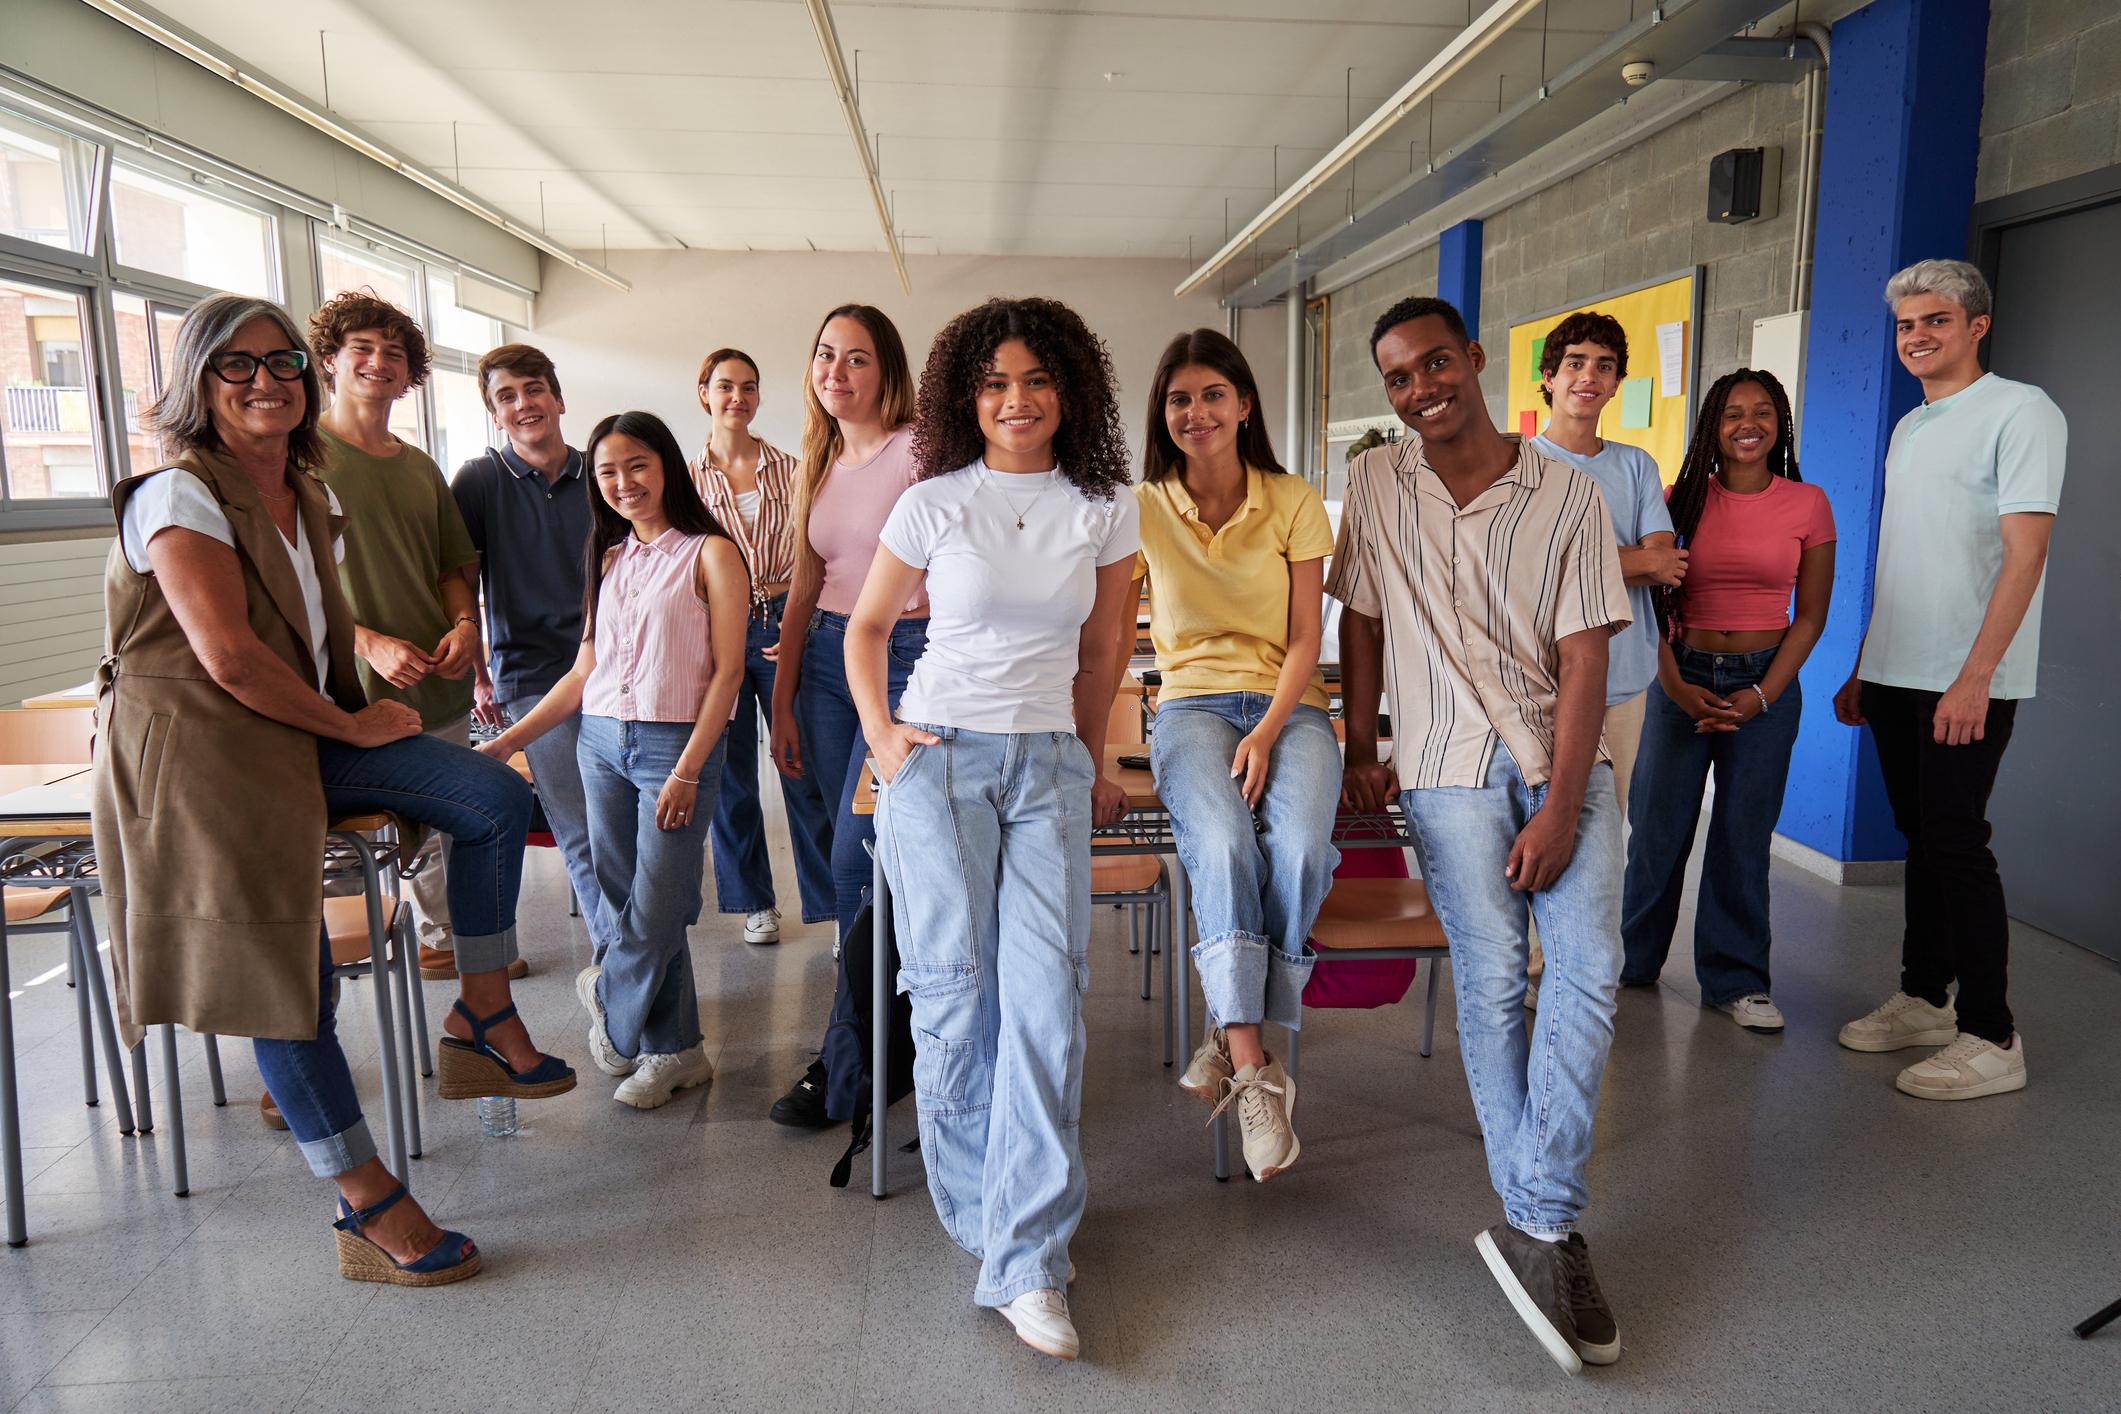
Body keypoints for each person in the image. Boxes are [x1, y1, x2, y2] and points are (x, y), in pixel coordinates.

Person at [93, 293, 572, 1287]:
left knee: (488, 798)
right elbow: (227, 658)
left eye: (280, 363)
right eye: (236, 365)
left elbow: (313, 630)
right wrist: (356, 721)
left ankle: (479, 1018)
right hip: (210, 754)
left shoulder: (305, 486)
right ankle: (366, 1200)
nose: (265, 380)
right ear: (197, 380)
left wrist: (358, 702)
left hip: (300, 728)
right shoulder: (178, 494)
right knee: (291, 988)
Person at [1332, 296, 1628, 1376]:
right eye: (1398, 379)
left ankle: (1537, 1215)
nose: (1420, 390)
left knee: (1592, 968)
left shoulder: (1568, 493)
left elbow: (1588, 657)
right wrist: (1363, 739)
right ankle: (1547, 1226)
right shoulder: (1376, 483)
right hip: (1447, 769)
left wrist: (1559, 803)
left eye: (1434, 364)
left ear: (1473, 359)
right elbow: (1359, 614)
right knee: (1495, 977)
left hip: (1566, 758)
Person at [859, 297, 1137, 1361]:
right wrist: (886, 737)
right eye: (994, 384)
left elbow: (1105, 646)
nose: (1016, 402)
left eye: (1035, 381)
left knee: (1048, 1005)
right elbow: (871, 629)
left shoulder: (1105, 503)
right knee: (953, 997)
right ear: (965, 396)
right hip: (940, 757)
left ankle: (1022, 1254)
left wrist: (1091, 754)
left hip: (1047, 768)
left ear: (1070, 390)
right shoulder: (933, 502)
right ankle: (999, 1231)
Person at [1832, 258, 2066, 1100]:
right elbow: (1902, 561)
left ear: (1976, 325)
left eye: (1934, 320)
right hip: (1897, 670)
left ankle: (1992, 1034)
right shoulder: (1910, 427)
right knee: (1921, 839)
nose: (1916, 336)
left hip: (1965, 677)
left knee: (1957, 843)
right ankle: (1926, 997)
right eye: (1904, 325)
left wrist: (1975, 676)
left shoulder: (2020, 411)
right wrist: (1866, 664)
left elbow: (2025, 552)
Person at [478, 412, 749, 1109]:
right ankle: (674, 1050)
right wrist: (511, 741)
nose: (623, 482)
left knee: (660, 904)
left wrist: (689, 769)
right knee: (625, 895)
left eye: (637, 465)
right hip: (599, 741)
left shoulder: (710, 553)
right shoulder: (609, 557)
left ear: (665, 467)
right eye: (607, 471)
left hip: (673, 746)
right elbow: (582, 672)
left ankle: (607, 992)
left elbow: (726, 675)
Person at [1126, 328, 1338, 1179]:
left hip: (1290, 705)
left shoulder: (1293, 499)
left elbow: (1303, 639)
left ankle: (1227, 1026)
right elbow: (1107, 626)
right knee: (1217, 845)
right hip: (1186, 705)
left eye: (1213, 394)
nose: (1197, 411)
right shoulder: (1141, 506)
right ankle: (1253, 1068)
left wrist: (1264, 728)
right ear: (1164, 414)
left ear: (1244, 404)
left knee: (1297, 847)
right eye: (1180, 399)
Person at [1619, 369, 1835, 1031]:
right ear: (1711, 425)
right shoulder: (1676, 498)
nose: (1748, 424)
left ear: (1780, 423)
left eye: (1762, 412)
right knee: (1658, 833)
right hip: (1678, 674)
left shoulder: (1807, 503)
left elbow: (1809, 618)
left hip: (1763, 682)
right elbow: (1647, 603)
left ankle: (1735, 981)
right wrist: (1677, 687)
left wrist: (1761, 697)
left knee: (1742, 836)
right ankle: (1630, 966)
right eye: (1732, 412)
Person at [307, 291, 512, 981]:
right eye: (361, 348)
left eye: (393, 353)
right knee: (382, 837)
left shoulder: (420, 465)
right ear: (330, 360)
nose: (378, 362)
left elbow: (452, 567)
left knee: (457, 821)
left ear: (410, 374)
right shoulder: (301, 459)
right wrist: (369, 642)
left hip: (438, 677)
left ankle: (449, 943)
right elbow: (289, 584)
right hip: (348, 694)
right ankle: (411, 952)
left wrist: (464, 625)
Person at [763, 305, 929, 1129]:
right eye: (825, 355)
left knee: (859, 859)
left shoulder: (920, 450)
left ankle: (846, 1065)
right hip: (827, 663)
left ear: (886, 371)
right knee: (854, 863)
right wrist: (785, 694)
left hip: (902, 653)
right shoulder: (819, 457)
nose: (836, 371)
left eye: (856, 359)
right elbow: (804, 582)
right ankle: (880, 1041)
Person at [1522, 313, 1685, 1008]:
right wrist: (1632, 561)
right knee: (1540, 822)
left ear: (1616, 382)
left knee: (1605, 834)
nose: (1588, 376)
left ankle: (1580, 965)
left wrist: (1599, 562)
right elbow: (1528, 568)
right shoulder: (1519, 463)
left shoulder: (1633, 465)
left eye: (1604, 365)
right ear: (1549, 378)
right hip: (1541, 685)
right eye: (1575, 363)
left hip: (1626, 681)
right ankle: (1530, 964)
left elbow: (1668, 563)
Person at [452, 343, 608, 962]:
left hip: (614, 670)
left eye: (533, 389)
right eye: (506, 397)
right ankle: (612, 967)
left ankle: (633, 960)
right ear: (495, 414)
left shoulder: (600, 471)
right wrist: (479, 674)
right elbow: (462, 583)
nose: (524, 404)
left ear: (558, 398)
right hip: (534, 677)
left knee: (624, 833)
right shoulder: (480, 481)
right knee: (582, 835)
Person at [689, 347, 834, 944]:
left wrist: (794, 625)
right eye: (725, 387)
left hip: (780, 618)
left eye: (748, 387)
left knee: (800, 766)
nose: (737, 398)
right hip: (717, 626)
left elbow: (815, 554)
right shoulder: (687, 479)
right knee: (729, 776)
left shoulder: (793, 470)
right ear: (704, 392)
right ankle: (754, 903)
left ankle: (830, 907)